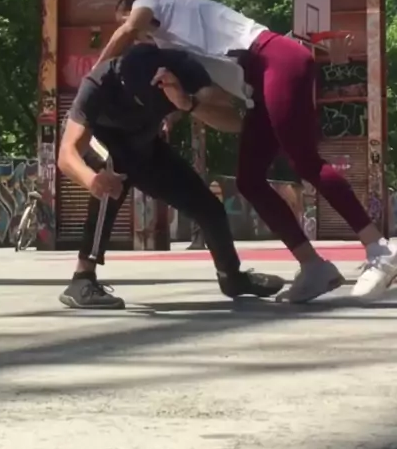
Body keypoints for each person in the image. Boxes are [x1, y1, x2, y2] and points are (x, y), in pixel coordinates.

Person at [91, 0, 397, 304]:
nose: (131, 34)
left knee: (305, 161)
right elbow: (215, 100)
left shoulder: (152, 4)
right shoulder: (172, 43)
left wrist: (94, 78)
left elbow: (127, 31)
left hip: (276, 59)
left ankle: (380, 250)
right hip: (257, 85)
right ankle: (313, 267)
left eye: (122, 20)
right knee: (249, 180)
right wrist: (177, 110)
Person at [57, 43, 285, 309]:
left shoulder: (182, 68)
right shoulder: (98, 84)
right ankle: (82, 279)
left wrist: (188, 103)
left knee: (208, 207)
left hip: (144, 146)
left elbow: (234, 119)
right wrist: (90, 180)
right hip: (101, 141)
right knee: (109, 174)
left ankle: (231, 277)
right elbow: (67, 154)